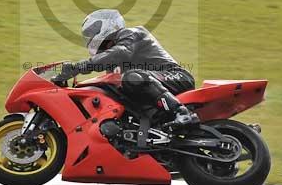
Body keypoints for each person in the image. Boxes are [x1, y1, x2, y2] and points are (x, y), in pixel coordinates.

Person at [52, 9, 199, 127]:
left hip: (176, 76)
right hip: (151, 90)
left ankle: (182, 112)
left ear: (108, 24)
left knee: (132, 77)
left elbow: (121, 52)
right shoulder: (111, 63)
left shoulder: (132, 34)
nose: (90, 37)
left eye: (93, 31)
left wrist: (79, 67)